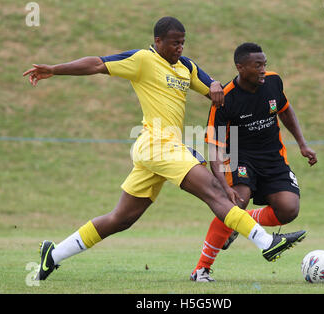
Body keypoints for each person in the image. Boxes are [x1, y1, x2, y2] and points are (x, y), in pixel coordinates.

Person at [23, 17, 306, 281]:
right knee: (216, 192)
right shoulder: (142, 60)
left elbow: (215, 90)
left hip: (161, 151)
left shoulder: (186, 67)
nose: (179, 47)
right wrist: (55, 69)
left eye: (183, 42)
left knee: (121, 218)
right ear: (158, 41)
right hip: (157, 143)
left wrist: (218, 85)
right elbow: (96, 64)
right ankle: (266, 242)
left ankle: (53, 254)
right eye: (174, 42)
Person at [190, 43, 317, 282]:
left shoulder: (273, 82)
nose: (262, 69)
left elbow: (286, 111)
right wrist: (223, 186)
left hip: (273, 157)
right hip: (239, 155)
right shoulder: (225, 99)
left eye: (264, 64)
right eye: (257, 65)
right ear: (240, 67)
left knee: (289, 209)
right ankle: (201, 269)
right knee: (237, 201)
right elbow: (215, 150)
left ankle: (242, 223)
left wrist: (302, 144)